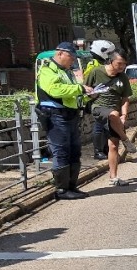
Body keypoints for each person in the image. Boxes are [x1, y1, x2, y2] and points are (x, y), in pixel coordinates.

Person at [36, 42, 96, 200]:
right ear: (60, 53)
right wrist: (80, 89)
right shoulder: (47, 70)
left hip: (70, 115)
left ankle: (72, 186)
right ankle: (62, 190)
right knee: (61, 152)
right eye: (71, 56)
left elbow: (70, 94)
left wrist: (86, 95)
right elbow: (55, 90)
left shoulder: (66, 72)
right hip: (55, 116)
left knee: (74, 151)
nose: (73, 60)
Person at [84, 48, 137, 187]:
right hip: (98, 107)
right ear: (111, 61)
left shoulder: (123, 77)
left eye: (124, 64)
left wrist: (124, 115)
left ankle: (113, 177)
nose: (122, 67)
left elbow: (125, 98)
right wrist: (91, 94)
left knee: (113, 145)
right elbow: (85, 88)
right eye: (119, 63)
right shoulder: (96, 72)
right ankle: (125, 139)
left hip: (116, 112)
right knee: (113, 115)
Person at [85, 40, 118, 160]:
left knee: (106, 125)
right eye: (110, 52)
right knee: (99, 126)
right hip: (97, 100)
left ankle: (104, 149)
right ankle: (98, 151)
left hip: (104, 99)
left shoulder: (100, 64)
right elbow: (88, 85)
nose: (112, 55)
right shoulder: (93, 66)